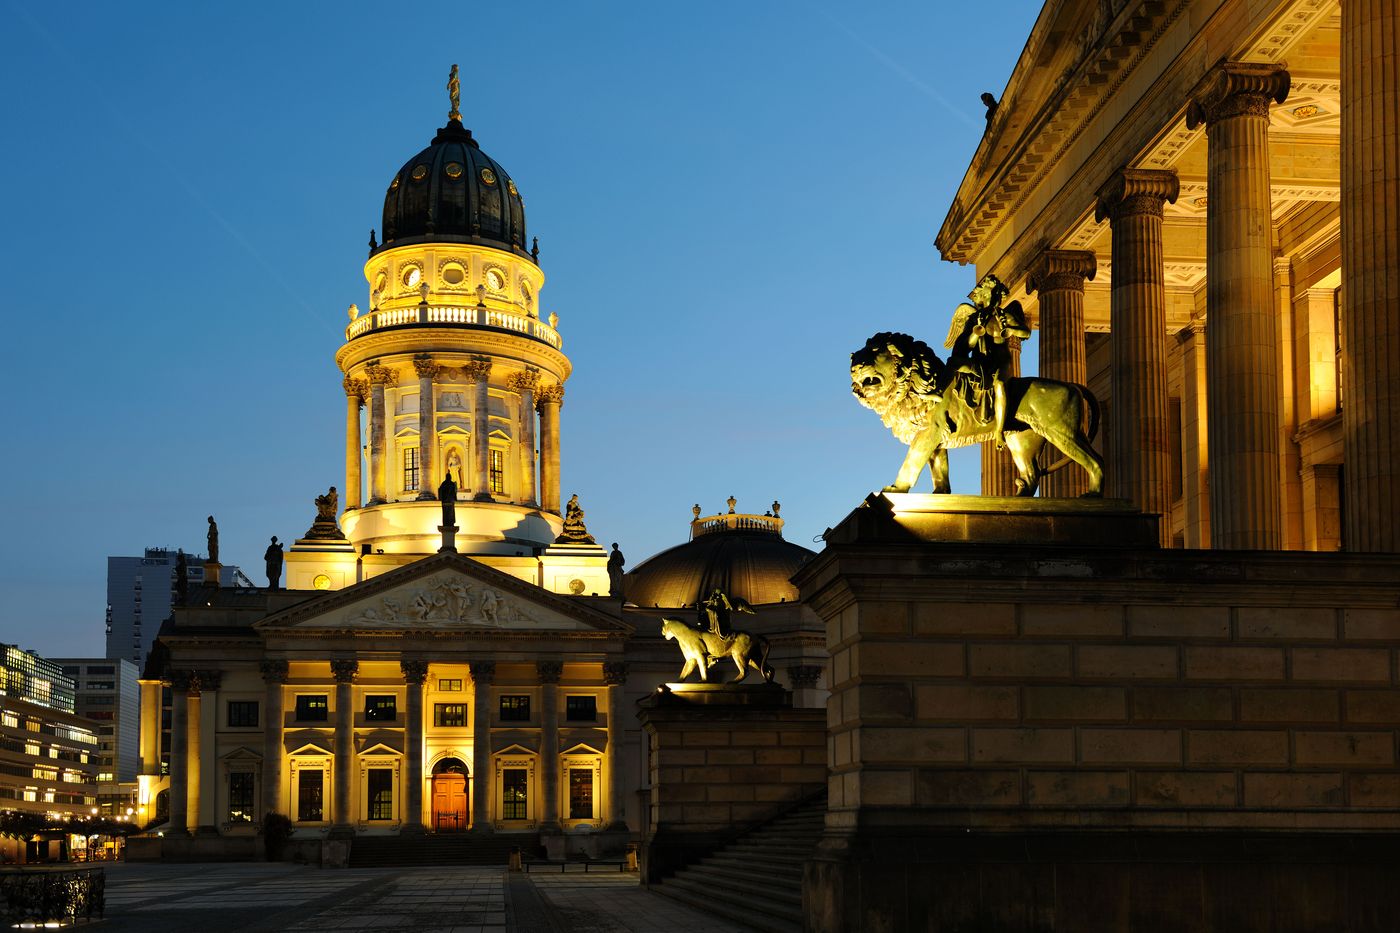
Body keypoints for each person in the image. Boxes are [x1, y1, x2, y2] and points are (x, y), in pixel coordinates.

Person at [944, 274, 1030, 450]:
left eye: (993, 295)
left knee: (999, 384)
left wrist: (1010, 328)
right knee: (953, 363)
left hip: (1001, 362)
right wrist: (976, 332)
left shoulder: (1004, 316)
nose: (991, 299)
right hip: (982, 363)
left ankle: (998, 430)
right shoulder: (975, 319)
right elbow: (966, 345)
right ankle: (940, 394)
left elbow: (1025, 333)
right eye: (987, 295)